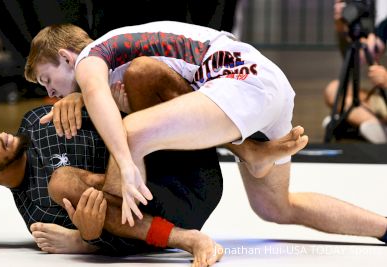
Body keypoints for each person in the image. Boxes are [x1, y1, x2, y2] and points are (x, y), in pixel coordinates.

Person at [24, 21, 387, 244]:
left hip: (242, 82)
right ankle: (383, 227)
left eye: (46, 78)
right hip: (262, 86)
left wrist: (125, 166)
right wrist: (74, 99)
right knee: (275, 207)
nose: (50, 91)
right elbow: (167, 98)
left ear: (68, 57)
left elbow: (105, 105)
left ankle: (110, 241)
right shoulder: (121, 59)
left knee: (129, 134)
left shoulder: (91, 58)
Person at [0, 104, 229, 265]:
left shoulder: (36, 120)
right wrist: (93, 239)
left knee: (143, 74)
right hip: (176, 207)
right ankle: (187, 240)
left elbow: (115, 100)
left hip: (187, 154)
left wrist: (79, 93)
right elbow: (131, 240)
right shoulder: (39, 213)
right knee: (62, 182)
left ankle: (249, 147)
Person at [324, 0, 387, 143]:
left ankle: (352, 123)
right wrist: (342, 27)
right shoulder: (384, 25)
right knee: (333, 90)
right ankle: (375, 125)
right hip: (382, 101)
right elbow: (357, 58)